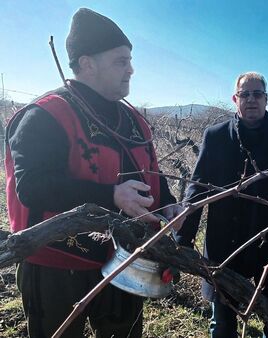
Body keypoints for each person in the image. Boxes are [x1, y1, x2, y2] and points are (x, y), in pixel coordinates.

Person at [5, 8, 181, 338]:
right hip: (54, 263)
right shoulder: (46, 115)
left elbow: (149, 174)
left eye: (130, 60)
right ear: (87, 64)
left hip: (123, 260)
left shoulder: (134, 121)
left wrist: (168, 205)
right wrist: (110, 196)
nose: (131, 69)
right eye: (121, 60)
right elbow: (31, 187)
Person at [175, 72, 268, 337]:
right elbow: (198, 188)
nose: (251, 99)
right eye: (244, 94)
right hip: (225, 243)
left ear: (266, 99)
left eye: (257, 94)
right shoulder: (216, 136)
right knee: (222, 323)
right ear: (235, 99)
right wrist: (183, 239)